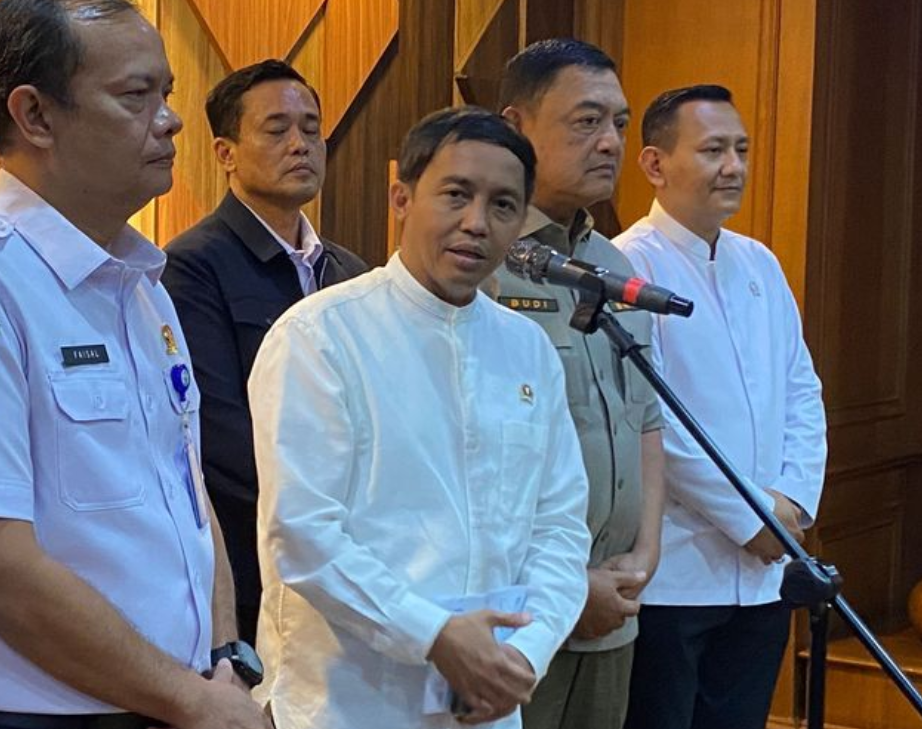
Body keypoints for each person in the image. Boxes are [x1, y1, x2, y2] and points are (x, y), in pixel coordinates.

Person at [0, 1, 270, 727]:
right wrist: (191, 700)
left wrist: (225, 659)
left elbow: (185, 490)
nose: (171, 120)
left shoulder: (141, 286)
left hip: (170, 700)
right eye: (135, 95)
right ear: (35, 115)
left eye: (166, 93)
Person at [249, 106, 592, 729]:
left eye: (503, 205)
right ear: (401, 199)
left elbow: (560, 525)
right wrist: (433, 634)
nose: (477, 222)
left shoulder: (527, 347)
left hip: (486, 700)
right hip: (345, 703)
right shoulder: (320, 335)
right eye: (456, 194)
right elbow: (302, 533)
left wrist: (525, 651)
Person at [613, 84, 826, 729]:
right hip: (676, 573)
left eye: (741, 149)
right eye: (713, 150)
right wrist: (750, 517)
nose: (733, 166)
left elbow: (802, 390)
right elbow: (652, 419)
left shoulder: (758, 261)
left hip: (765, 572)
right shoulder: (627, 263)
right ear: (655, 164)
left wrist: (793, 502)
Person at [492, 38, 666, 729]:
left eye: (619, 123)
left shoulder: (613, 265)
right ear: (515, 127)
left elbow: (645, 420)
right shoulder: (480, 263)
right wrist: (568, 587)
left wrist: (644, 555)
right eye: (586, 121)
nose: (610, 142)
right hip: (516, 614)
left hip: (615, 606)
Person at [162, 59, 366, 645]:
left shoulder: (349, 271)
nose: (300, 144)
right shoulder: (191, 267)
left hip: (352, 556)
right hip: (254, 565)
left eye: (311, 128)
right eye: (277, 129)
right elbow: (219, 434)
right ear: (225, 153)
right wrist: (324, 518)